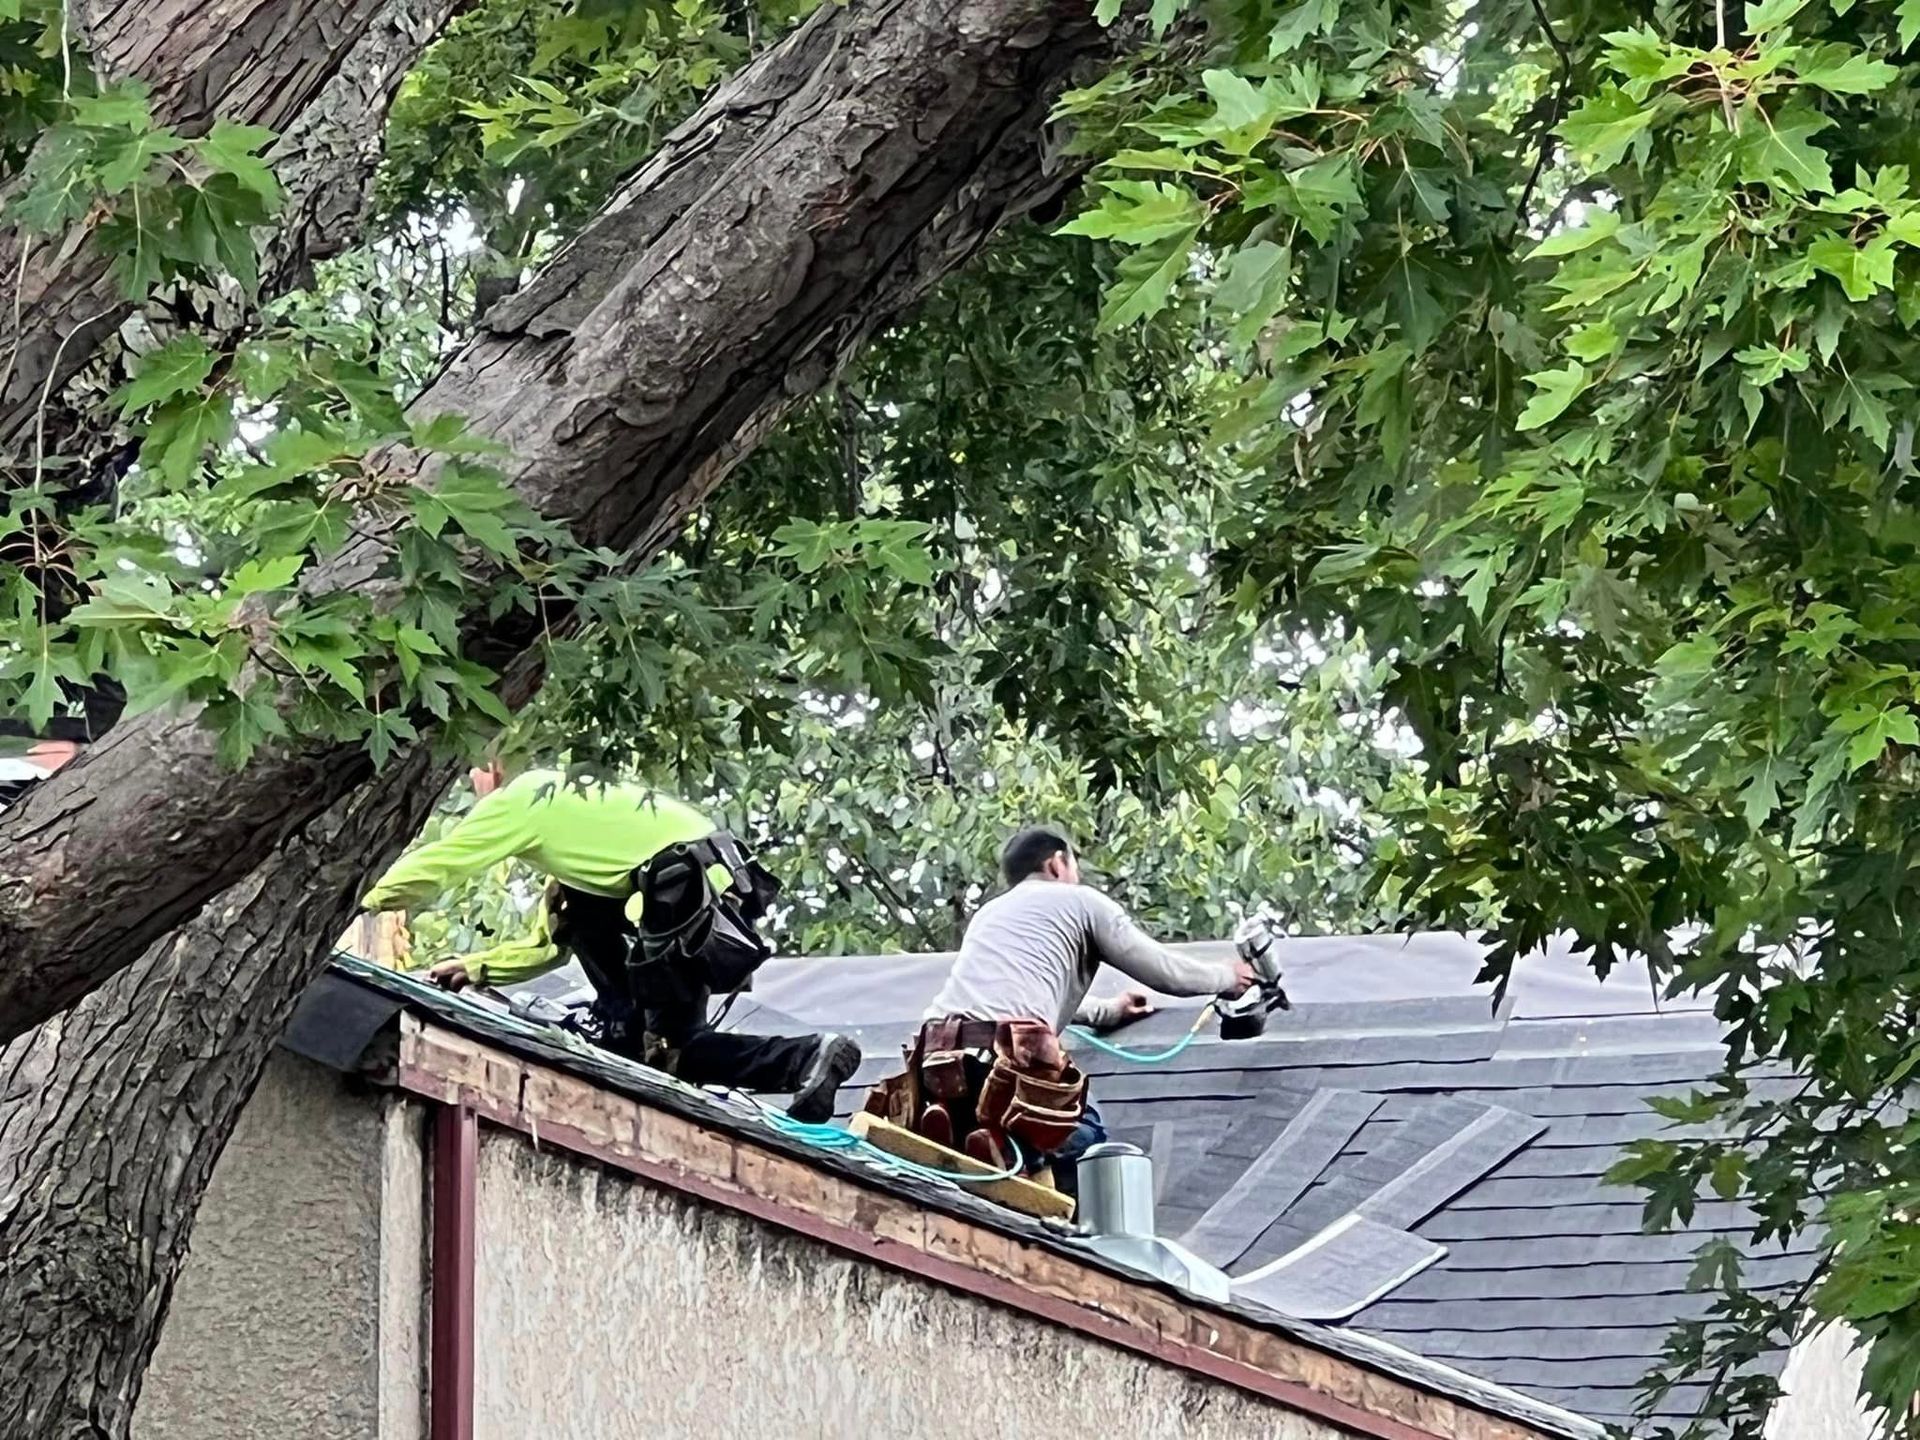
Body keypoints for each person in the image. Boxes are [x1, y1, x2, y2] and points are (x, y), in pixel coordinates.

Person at [362, 761, 860, 1123]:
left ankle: (618, 1019)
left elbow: (444, 862)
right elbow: (550, 942)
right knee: (673, 1053)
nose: (473, 787)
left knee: (640, 1041)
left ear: (493, 770)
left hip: (675, 898)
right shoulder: (584, 822)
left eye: (472, 774)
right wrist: (477, 969)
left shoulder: (527, 798)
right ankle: (809, 1056)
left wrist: (357, 900)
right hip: (705, 901)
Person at [867, 825, 1255, 1197]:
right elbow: (1165, 972)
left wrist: (1107, 1012)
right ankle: (1017, 1153)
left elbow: (1020, 989)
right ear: (1056, 863)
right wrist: (1227, 976)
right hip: (1006, 1064)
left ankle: (962, 1129)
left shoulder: (989, 915)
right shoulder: (1081, 902)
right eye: (1074, 866)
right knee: (1088, 1129)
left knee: (979, 1106)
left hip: (934, 1058)